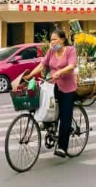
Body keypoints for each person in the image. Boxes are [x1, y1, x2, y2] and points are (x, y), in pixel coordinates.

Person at [24, 29, 77, 158]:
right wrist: (30, 75)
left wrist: (60, 72)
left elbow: (71, 65)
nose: (52, 42)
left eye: (54, 39)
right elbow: (42, 65)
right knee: (50, 112)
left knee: (65, 116)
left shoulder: (70, 50)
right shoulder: (51, 52)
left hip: (68, 88)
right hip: (52, 87)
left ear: (62, 39)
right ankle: (51, 130)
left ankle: (62, 147)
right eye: (51, 40)